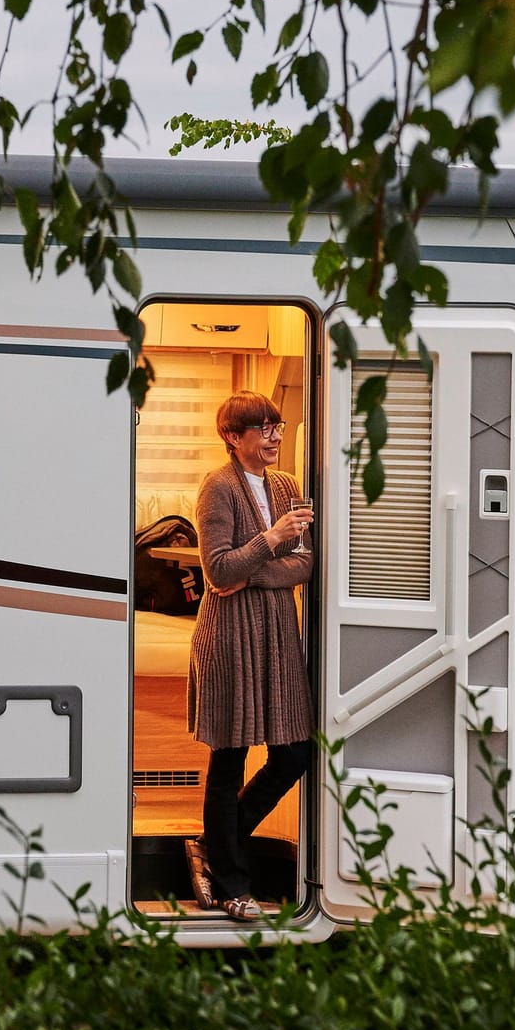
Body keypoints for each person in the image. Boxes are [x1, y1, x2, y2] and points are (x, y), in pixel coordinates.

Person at [186, 391, 315, 922]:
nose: (274, 436)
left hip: (277, 636)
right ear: (233, 438)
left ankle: (216, 847)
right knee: (230, 757)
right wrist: (271, 539)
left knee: (294, 752)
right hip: (229, 640)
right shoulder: (216, 488)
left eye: (277, 426)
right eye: (261, 429)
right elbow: (217, 572)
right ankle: (234, 881)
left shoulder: (287, 486)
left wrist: (254, 571)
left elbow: (306, 564)